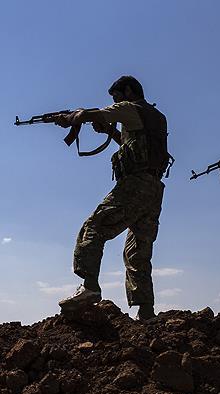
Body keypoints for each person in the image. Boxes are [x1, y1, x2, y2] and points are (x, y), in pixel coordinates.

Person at [53, 76, 171, 320]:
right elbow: (134, 143)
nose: (115, 102)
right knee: (138, 251)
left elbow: (93, 114)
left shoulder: (129, 108)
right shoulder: (156, 116)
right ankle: (146, 312)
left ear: (127, 91)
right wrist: (109, 130)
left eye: (116, 97)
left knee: (94, 226)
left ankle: (89, 286)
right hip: (154, 188)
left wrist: (72, 118)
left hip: (135, 184)